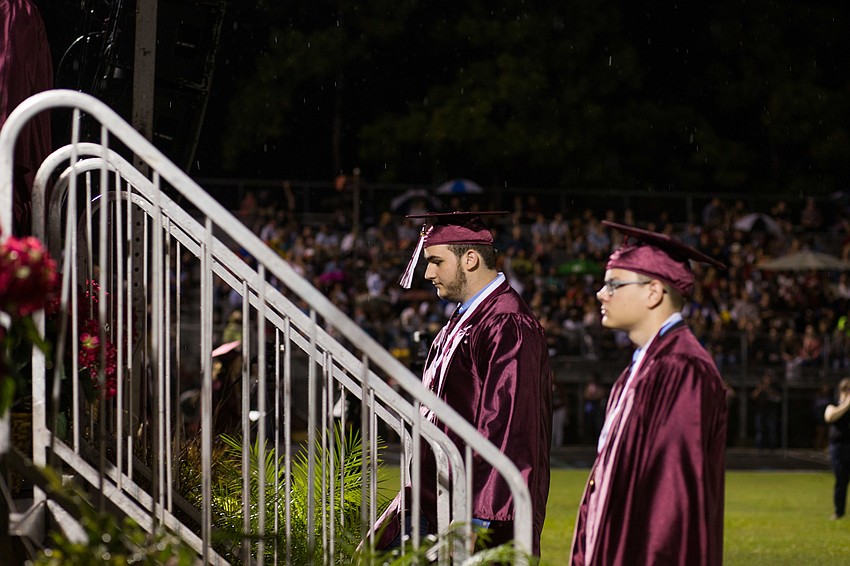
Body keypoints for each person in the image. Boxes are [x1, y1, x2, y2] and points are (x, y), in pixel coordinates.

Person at [372, 211, 553, 556]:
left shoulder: (507, 323)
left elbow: (509, 427)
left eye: (436, 261)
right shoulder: (464, 320)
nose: (428, 273)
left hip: (469, 509)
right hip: (431, 499)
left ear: (470, 259)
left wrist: (478, 518)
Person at [570, 220, 728, 566]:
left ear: (654, 292)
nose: (601, 294)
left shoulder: (682, 368)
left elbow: (670, 501)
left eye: (614, 284)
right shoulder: (642, 366)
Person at [824, 378, 850, 520]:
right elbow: (830, 417)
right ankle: (839, 511)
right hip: (839, 448)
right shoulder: (833, 404)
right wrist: (846, 405)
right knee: (841, 478)